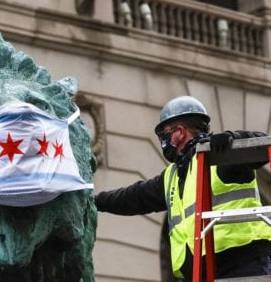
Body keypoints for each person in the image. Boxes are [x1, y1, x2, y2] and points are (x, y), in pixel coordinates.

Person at [95, 95, 271, 280]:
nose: (163, 141)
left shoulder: (220, 156)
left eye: (164, 134)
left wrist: (235, 139)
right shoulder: (173, 175)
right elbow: (134, 197)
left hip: (243, 266)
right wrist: (94, 201)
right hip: (201, 273)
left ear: (179, 132)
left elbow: (262, 145)